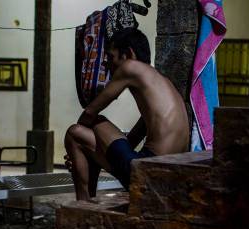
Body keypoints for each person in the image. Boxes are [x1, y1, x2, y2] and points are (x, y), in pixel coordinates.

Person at [64, 28, 189, 201]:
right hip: (170, 177)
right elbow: (134, 137)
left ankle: (84, 204)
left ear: (128, 54)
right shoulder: (163, 82)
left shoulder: (130, 67)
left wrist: (74, 151)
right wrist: (96, 150)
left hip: (146, 172)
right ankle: (87, 201)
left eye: (110, 57)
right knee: (88, 140)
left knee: (77, 131)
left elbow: (90, 112)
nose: (106, 64)